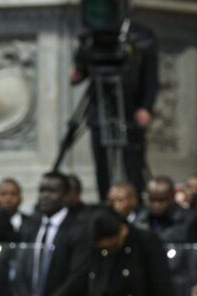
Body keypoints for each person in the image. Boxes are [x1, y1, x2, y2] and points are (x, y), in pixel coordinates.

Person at [72, 9, 158, 201]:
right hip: (100, 107)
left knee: (133, 162)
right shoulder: (90, 38)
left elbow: (151, 77)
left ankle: (135, 203)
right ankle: (105, 201)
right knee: (102, 163)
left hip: (130, 107)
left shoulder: (140, 35)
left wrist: (146, 106)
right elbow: (77, 75)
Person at [133, 175, 197, 242]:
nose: (156, 205)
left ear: (172, 197)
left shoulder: (190, 219)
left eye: (161, 200)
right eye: (152, 200)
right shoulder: (142, 217)